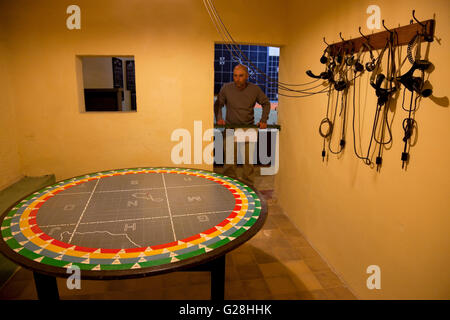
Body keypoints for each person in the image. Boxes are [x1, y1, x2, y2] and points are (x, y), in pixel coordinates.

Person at [214, 64, 271, 186]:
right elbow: (218, 103)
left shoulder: (254, 89)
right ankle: (229, 187)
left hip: (248, 128)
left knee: (248, 163)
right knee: (229, 163)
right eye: (235, 76)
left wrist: (263, 120)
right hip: (230, 128)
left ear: (247, 76)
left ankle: (249, 186)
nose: (237, 79)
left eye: (240, 76)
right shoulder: (226, 88)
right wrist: (219, 118)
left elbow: (266, 103)